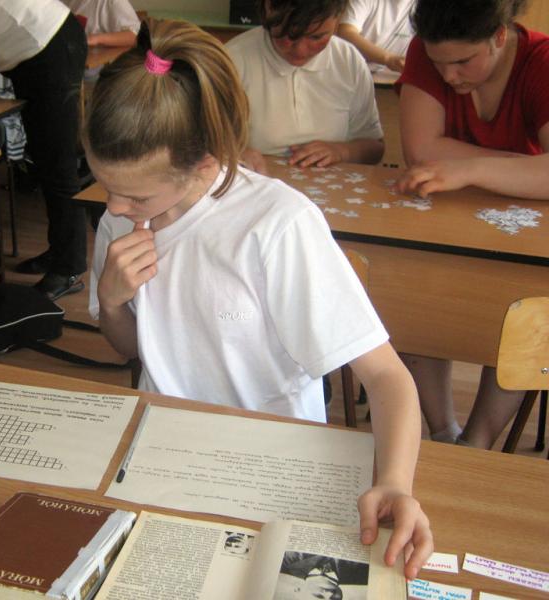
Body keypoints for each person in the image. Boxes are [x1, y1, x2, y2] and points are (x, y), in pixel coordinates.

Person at [86, 18, 432, 578]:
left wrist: (394, 482)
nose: (114, 207)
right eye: (107, 188)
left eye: (135, 196)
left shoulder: (276, 224)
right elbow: (130, 348)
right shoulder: (121, 221)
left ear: (204, 163)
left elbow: (388, 377)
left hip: (272, 466)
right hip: (166, 456)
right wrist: (112, 299)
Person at [394, 0, 549, 447]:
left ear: (500, 36)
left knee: (524, 317)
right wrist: (523, 167)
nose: (449, 75)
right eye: (438, 63)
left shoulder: (541, 61)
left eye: (463, 61)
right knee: (412, 292)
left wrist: (470, 169)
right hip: (441, 219)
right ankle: (444, 431)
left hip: (527, 230)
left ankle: (477, 442)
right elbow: (422, 152)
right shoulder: (426, 50)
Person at [0, 0, 89, 301]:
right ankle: (59, 252)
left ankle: (69, 268)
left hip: (49, 46)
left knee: (58, 166)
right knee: (45, 164)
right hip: (33, 55)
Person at [226, 0, 384, 173]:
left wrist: (342, 152)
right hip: (255, 179)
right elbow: (206, 144)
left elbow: (375, 148)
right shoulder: (232, 60)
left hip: (330, 183)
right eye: (288, 35)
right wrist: (232, 153)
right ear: (267, 12)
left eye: (317, 37)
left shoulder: (348, 60)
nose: (300, 50)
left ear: (337, 21)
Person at [336, 0, 415, 75]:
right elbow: (346, 32)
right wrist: (389, 59)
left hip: (398, 78)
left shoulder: (420, 6)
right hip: (356, 73)